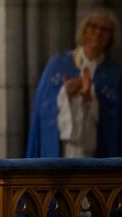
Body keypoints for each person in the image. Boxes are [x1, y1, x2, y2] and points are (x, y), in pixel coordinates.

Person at [26, 8, 122, 158]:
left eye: (105, 29)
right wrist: (66, 93)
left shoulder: (114, 74)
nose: (98, 33)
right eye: (93, 26)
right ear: (84, 31)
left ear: (111, 38)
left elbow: (115, 118)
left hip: (96, 152)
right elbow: (43, 108)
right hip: (61, 148)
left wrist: (91, 98)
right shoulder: (58, 64)